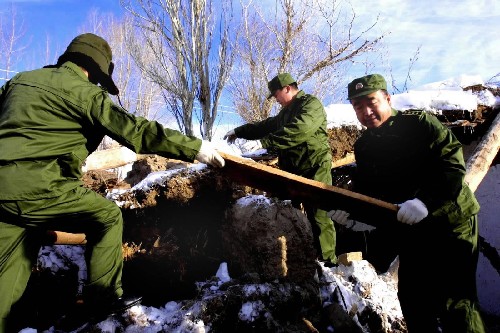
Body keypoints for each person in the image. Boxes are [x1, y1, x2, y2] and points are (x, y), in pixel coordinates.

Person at [0, 33, 224, 332]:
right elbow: (136, 130)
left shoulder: (20, 82)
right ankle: (102, 301)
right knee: (105, 217)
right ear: (93, 70)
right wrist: (194, 147)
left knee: (9, 273)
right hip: (41, 188)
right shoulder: (86, 93)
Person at [328, 74, 485, 332]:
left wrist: (425, 201)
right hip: (413, 230)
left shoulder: (419, 124)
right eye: (358, 107)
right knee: (414, 300)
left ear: (387, 99)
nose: (366, 112)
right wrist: (355, 218)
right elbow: (373, 194)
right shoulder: (365, 146)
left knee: (455, 303)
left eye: (372, 102)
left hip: (450, 221)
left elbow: (452, 164)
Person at [223, 73, 337, 266]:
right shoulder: (285, 112)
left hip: (314, 166)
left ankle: (328, 262)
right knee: (288, 212)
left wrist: (266, 143)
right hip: (292, 169)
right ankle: (297, 258)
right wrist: (239, 131)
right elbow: (265, 126)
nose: (275, 99)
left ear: (287, 88)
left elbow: (299, 129)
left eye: (276, 94)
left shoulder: (311, 104)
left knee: (319, 214)